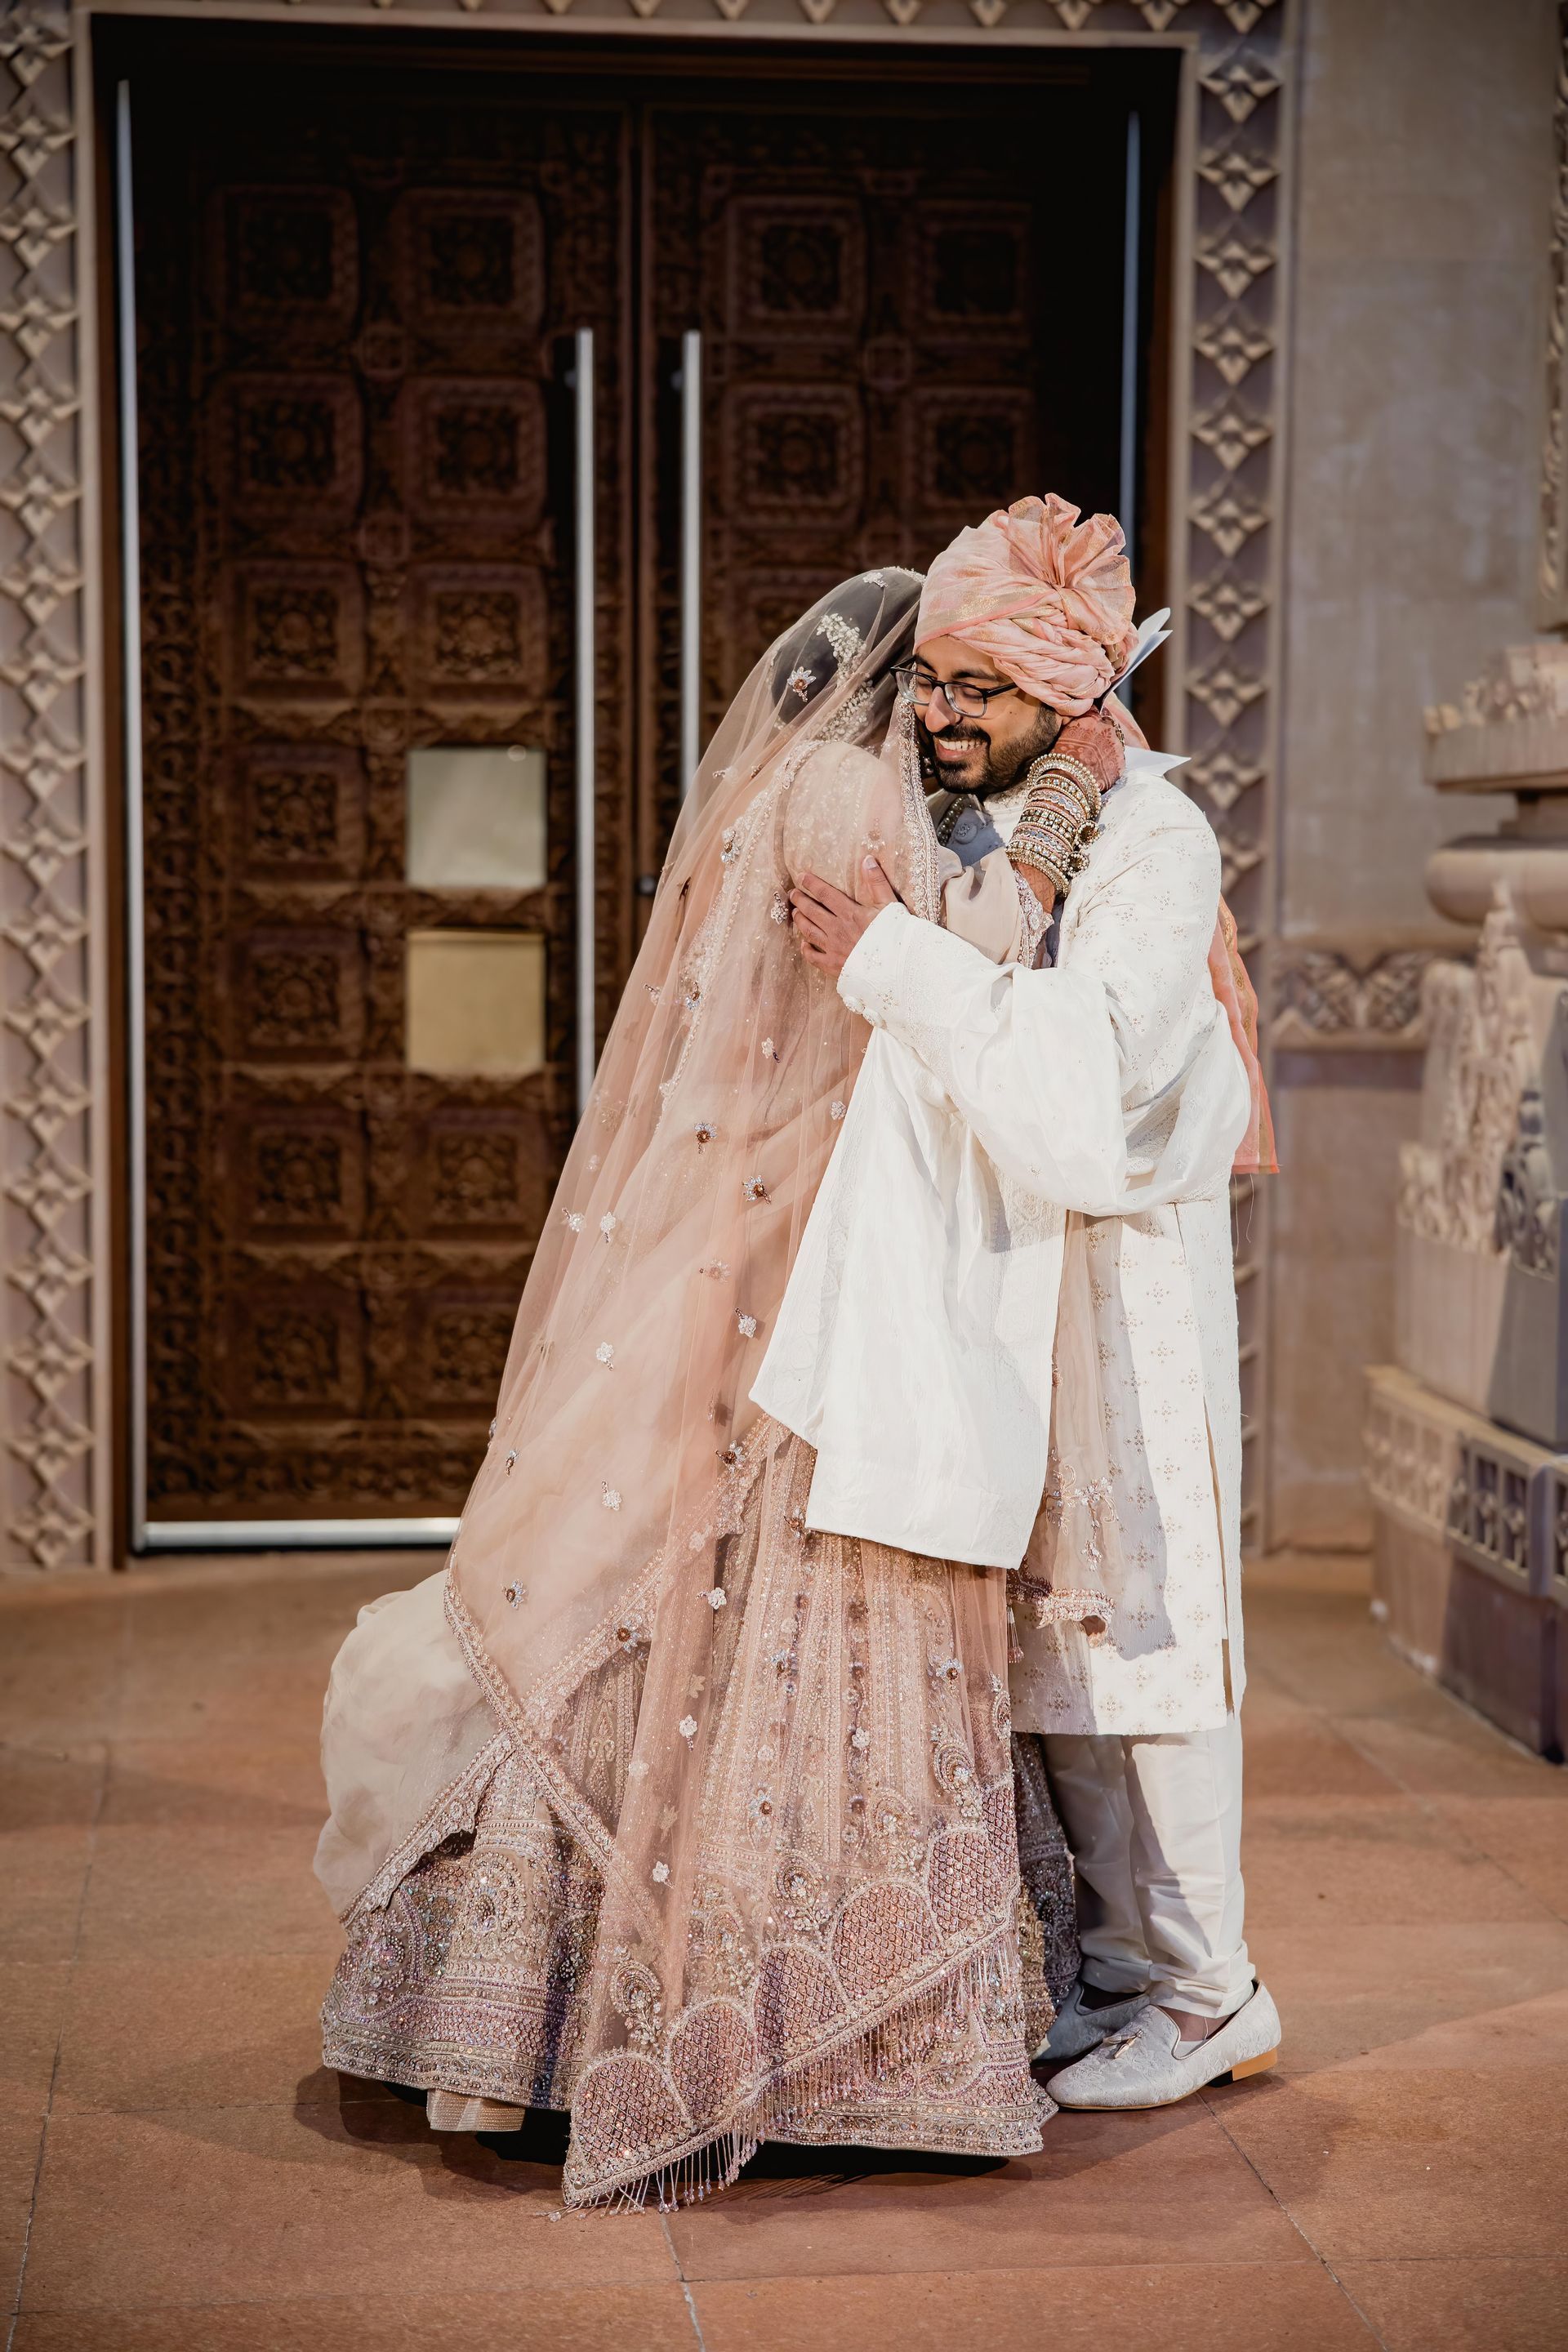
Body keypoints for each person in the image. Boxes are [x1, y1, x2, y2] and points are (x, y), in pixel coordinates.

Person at [314, 569, 1086, 2209]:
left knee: (677, 1600)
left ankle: (548, 2021)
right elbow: (978, 978)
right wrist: (1064, 811)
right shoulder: (844, 802)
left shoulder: (789, 790)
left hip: (767, 1225)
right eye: (940, 682)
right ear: (891, 681)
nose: (954, 716)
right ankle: (776, 2034)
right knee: (754, 1598)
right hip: (808, 1250)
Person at [777, 494, 1281, 2111]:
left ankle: (1212, 1994)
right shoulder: (1014, 822)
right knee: (1060, 1656)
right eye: (928, 680)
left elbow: (1078, 1094)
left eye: (972, 692)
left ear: (1068, 701)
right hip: (1017, 1294)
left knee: (1150, 1642)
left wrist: (891, 965)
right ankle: (1132, 1979)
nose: (933, 714)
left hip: (1125, 1301)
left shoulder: (1153, 842)